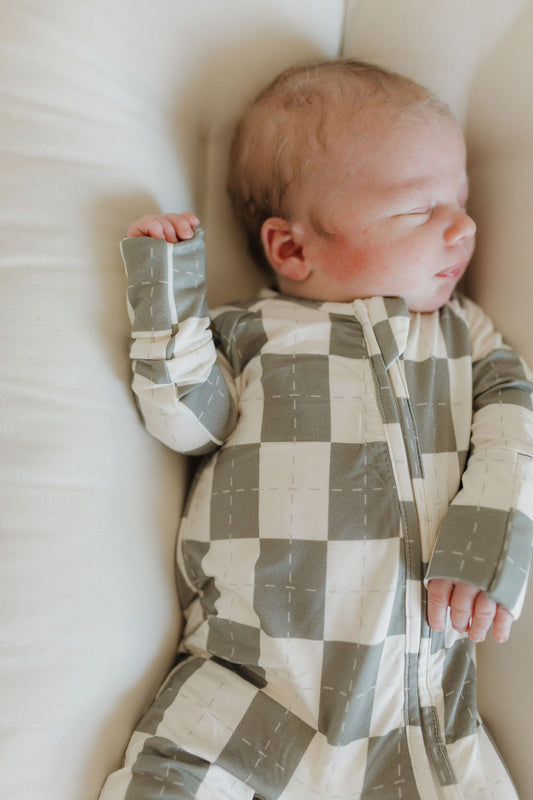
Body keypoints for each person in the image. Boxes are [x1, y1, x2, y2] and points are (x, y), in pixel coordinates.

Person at [99, 59, 533, 799]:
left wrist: (489, 532)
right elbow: (186, 422)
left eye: (458, 199)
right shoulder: (251, 334)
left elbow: (513, 428)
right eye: (417, 210)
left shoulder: (464, 337)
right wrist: (168, 298)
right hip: (247, 688)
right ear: (292, 250)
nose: (462, 226)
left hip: (416, 715)